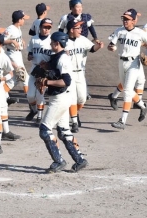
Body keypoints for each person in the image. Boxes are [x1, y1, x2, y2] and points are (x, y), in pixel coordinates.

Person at [38, 31, 88, 173]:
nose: (50, 44)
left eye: (52, 42)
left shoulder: (63, 59)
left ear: (57, 43)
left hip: (61, 98)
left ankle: (59, 161)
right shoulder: (57, 56)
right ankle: (80, 160)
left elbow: (66, 81)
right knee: (63, 131)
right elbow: (54, 70)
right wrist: (46, 67)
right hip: (61, 97)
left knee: (44, 130)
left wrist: (47, 82)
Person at [107, 9, 147, 130]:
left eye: (127, 19)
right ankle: (144, 106)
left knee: (127, 91)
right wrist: (111, 47)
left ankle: (122, 121)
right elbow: (111, 44)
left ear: (133, 21)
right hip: (121, 62)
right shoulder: (119, 31)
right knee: (126, 88)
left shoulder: (140, 32)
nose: (125, 21)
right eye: (124, 18)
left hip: (134, 63)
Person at [64, 20, 103, 133]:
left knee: (82, 99)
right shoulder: (64, 41)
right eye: (78, 28)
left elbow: (92, 49)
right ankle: (74, 123)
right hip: (69, 74)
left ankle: (75, 113)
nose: (81, 30)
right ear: (71, 30)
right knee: (72, 98)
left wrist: (98, 46)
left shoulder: (82, 39)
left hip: (81, 73)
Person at [26, 18, 53, 122]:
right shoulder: (34, 39)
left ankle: (39, 116)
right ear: (40, 27)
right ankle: (34, 110)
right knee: (30, 95)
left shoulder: (52, 40)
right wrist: (29, 56)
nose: (46, 30)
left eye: (48, 28)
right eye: (45, 27)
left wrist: (48, 66)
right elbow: (30, 52)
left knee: (40, 93)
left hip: (45, 70)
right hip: (35, 68)